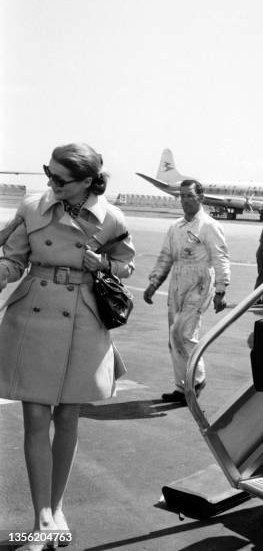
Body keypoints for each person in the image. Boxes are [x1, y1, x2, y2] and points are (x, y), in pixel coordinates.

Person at [0, 143, 135, 551]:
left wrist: (104, 265)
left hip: (83, 318)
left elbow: (126, 265)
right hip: (34, 316)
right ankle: (42, 519)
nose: (50, 183)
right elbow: (14, 259)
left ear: (87, 182)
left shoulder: (111, 218)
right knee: (37, 415)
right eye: (48, 173)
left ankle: (55, 513)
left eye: (60, 179)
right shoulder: (31, 207)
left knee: (69, 415)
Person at [143, 179, 230, 406]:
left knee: (183, 332)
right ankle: (182, 386)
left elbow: (220, 257)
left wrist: (221, 289)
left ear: (200, 197)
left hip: (200, 281)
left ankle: (197, 379)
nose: (184, 200)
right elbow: (165, 256)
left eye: (189, 196)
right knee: (173, 336)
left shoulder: (209, 226)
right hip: (177, 281)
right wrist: (154, 283)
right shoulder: (176, 227)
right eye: (181, 196)